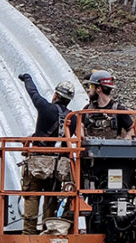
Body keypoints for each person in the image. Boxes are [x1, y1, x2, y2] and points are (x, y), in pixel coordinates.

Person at [17, 72, 80, 233]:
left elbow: (33, 93)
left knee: (32, 195)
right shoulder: (73, 118)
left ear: (56, 95)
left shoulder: (45, 108)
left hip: (39, 163)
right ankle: (48, 229)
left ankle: (29, 231)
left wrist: (27, 78)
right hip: (58, 165)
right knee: (51, 195)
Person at [77, 70, 126, 138]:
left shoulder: (118, 110)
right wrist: (80, 133)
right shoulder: (87, 110)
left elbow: (131, 129)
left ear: (98, 89)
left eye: (91, 86)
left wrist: (124, 144)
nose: (89, 90)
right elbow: (79, 126)